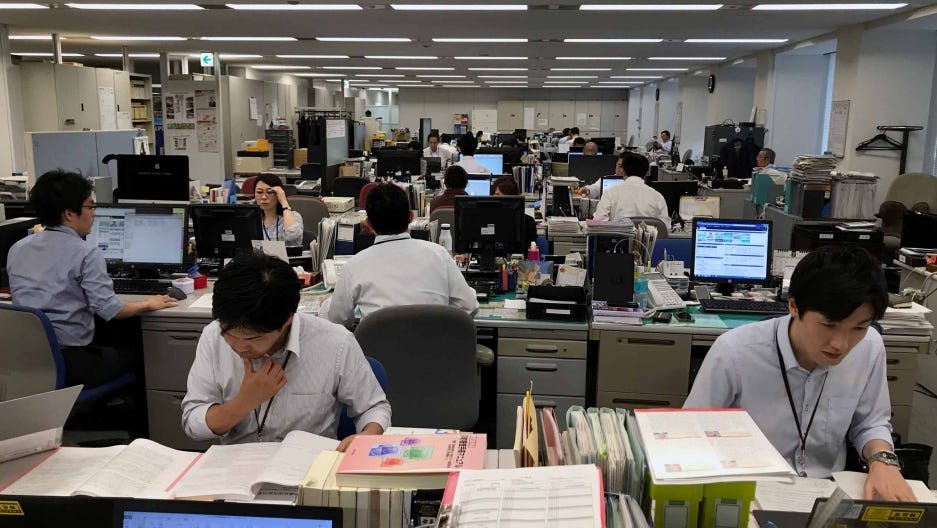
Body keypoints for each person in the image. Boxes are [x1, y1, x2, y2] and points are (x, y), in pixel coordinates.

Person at [685, 246, 915, 500]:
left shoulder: (869, 346)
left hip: (828, 491)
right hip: (747, 491)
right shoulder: (735, 352)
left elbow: (870, 422)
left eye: (858, 327)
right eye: (829, 325)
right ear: (794, 306)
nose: (842, 344)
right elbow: (691, 433)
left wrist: (884, 461)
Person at [183, 253, 391, 448]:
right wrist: (243, 402)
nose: (238, 346)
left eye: (252, 338)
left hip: (308, 469)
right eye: (228, 334)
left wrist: (367, 437)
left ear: (288, 319)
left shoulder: (335, 343)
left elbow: (374, 408)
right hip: (235, 471)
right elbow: (193, 423)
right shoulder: (212, 337)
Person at [7, 170, 178, 388]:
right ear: (69, 213)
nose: (94, 213)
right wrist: (148, 303)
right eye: (90, 206)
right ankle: (134, 417)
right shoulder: (85, 253)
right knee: (142, 348)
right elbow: (111, 310)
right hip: (70, 364)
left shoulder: (18, 248)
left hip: (26, 360)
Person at [324, 183, 478, 327]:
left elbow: (337, 319)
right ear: (411, 217)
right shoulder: (439, 255)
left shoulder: (355, 265)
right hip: (434, 353)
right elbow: (469, 306)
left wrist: (326, 305)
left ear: (368, 225)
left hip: (377, 354)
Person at [593, 152, 670, 228]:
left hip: (619, 239)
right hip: (647, 240)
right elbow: (665, 228)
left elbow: (599, 223)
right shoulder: (657, 197)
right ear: (646, 173)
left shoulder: (610, 192)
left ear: (623, 171)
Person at [253, 173, 304, 246]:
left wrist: (284, 201)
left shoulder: (294, 216)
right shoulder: (253, 219)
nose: (264, 197)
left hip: (288, 257)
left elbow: (292, 235)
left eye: (270, 192)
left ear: (279, 195)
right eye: (259, 192)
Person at [491, 176, 537, 246]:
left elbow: (530, 249)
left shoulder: (527, 222)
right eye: (497, 195)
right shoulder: (484, 219)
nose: (501, 200)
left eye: (505, 196)